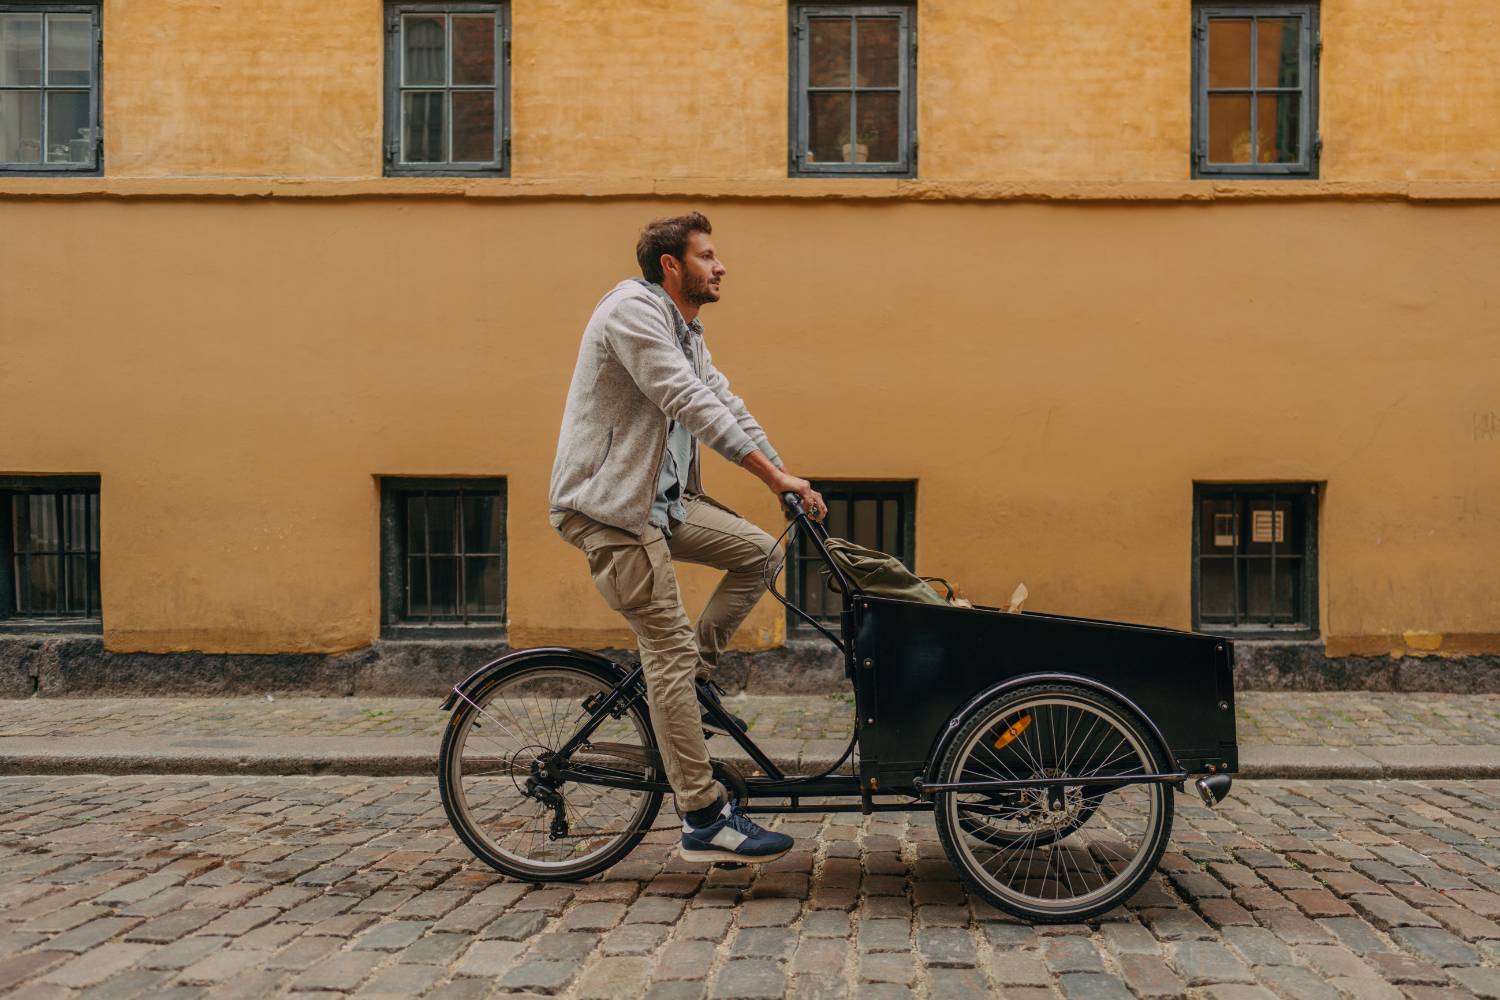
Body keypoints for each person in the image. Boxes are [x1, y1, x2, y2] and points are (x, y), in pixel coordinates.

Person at [548, 212, 825, 864]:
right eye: (707, 255)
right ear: (671, 265)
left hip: (661, 507)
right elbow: (687, 402)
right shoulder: (632, 314)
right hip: (612, 513)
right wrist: (772, 474)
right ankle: (703, 815)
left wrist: (782, 477)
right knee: (665, 647)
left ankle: (686, 683)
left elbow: (726, 403)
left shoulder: (685, 331)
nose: (720, 265)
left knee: (761, 552)